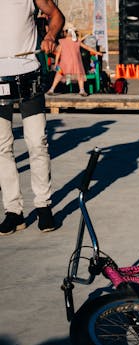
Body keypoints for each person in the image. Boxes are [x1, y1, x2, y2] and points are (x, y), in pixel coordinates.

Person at [0, 0, 64, 235]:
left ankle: (43, 206)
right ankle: (13, 211)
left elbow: (56, 14)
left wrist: (50, 35)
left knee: (37, 143)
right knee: (2, 147)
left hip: (28, 73)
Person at [46, 23, 103, 96]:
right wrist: (97, 52)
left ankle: (52, 89)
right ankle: (82, 90)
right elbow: (87, 48)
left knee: (58, 75)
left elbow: (58, 54)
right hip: (76, 63)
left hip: (65, 63)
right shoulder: (77, 41)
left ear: (65, 32)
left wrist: (57, 63)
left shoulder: (62, 42)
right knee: (80, 76)